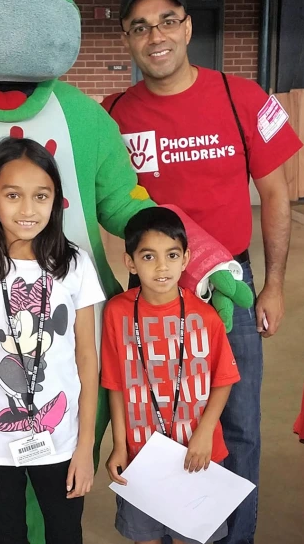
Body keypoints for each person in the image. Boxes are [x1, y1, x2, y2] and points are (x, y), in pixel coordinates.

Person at [104, 0, 301, 544]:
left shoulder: (243, 98)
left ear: (188, 26)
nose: (155, 36)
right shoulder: (113, 114)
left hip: (228, 288)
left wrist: (275, 285)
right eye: (139, 27)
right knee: (157, 422)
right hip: (151, 292)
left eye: (167, 20)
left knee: (235, 426)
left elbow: (277, 195)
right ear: (127, 40)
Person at [0, 138, 104, 544]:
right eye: (13, 195)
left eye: (41, 196)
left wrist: (85, 448)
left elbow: (87, 359)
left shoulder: (74, 265)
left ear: (56, 201)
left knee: (66, 533)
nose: (28, 210)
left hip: (61, 439)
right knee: (6, 534)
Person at [103, 207, 240, 544]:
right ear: (130, 262)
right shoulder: (117, 313)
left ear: (186, 259)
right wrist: (120, 446)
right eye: (148, 256)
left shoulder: (205, 317)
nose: (162, 267)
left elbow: (223, 380)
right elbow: (116, 386)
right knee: (144, 537)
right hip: (141, 456)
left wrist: (205, 433)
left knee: (190, 536)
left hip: (197, 454)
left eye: (172, 255)